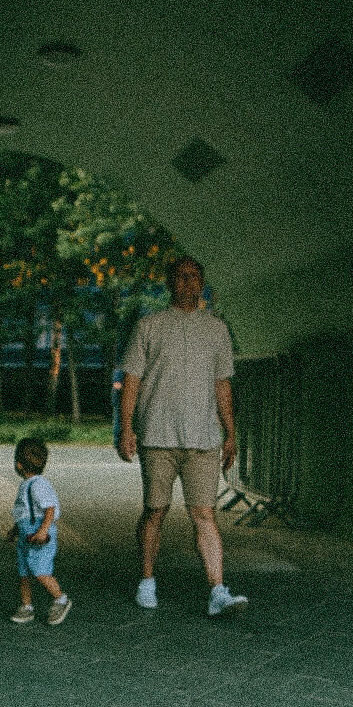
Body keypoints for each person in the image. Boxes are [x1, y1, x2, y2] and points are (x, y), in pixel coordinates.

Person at [117, 255, 248, 616]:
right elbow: (131, 382)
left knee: (204, 514)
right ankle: (146, 580)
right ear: (169, 283)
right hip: (157, 435)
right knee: (155, 510)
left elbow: (223, 386)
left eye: (194, 276)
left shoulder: (217, 329)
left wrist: (230, 432)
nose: (189, 282)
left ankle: (218, 591)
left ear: (202, 283)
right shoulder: (149, 326)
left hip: (203, 438)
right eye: (181, 276)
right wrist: (126, 429)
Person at [5, 436, 71, 626]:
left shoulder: (38, 485)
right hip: (26, 535)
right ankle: (26, 606)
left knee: (40, 570)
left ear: (18, 464)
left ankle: (61, 599)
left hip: (39, 535)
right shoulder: (28, 484)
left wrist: (43, 530)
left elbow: (50, 508)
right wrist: (15, 530)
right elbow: (25, 512)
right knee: (24, 572)